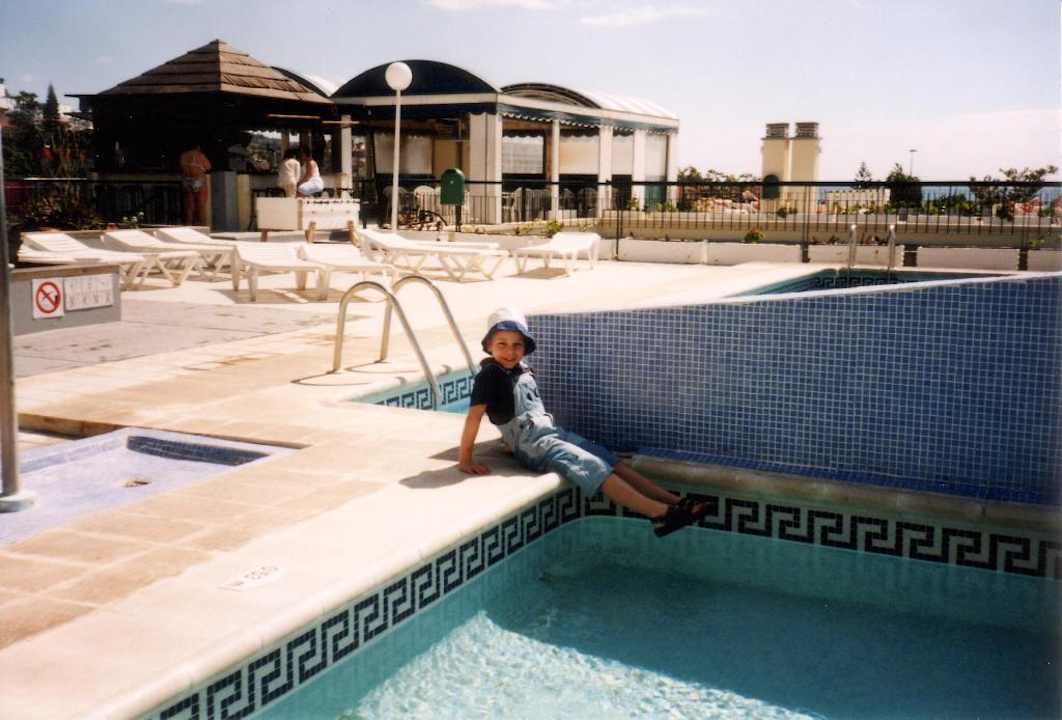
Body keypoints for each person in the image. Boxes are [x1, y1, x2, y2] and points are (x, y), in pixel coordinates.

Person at [458, 307, 709, 537]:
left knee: (608, 458)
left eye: (517, 345)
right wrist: (465, 459)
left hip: (550, 434)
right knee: (591, 465)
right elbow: (474, 417)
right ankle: (659, 514)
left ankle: (675, 502)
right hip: (535, 446)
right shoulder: (489, 376)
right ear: (489, 345)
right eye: (502, 344)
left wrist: (507, 440)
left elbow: (513, 410)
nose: (510, 351)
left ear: (525, 347)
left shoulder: (520, 369)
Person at [179, 144, 212, 225]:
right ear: (198, 147)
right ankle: (202, 225)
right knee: (201, 204)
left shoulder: (183, 156)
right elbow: (208, 167)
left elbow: (181, 167)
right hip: (198, 179)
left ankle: (189, 224)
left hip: (187, 180)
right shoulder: (199, 155)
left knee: (189, 204)